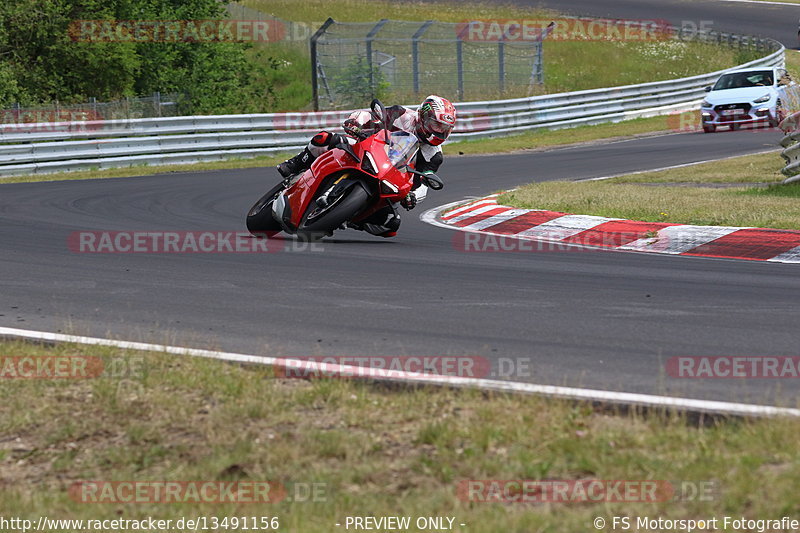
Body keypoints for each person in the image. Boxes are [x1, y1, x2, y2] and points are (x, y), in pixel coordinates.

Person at [276, 95, 457, 237]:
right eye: (436, 124)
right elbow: (370, 116)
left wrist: (413, 196)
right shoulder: (402, 115)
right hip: (365, 150)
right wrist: (356, 123)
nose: (439, 132)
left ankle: (353, 217)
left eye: (444, 129)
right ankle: (297, 162)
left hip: (388, 177)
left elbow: (424, 181)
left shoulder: (434, 155)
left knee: (390, 225)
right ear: (423, 116)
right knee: (326, 138)